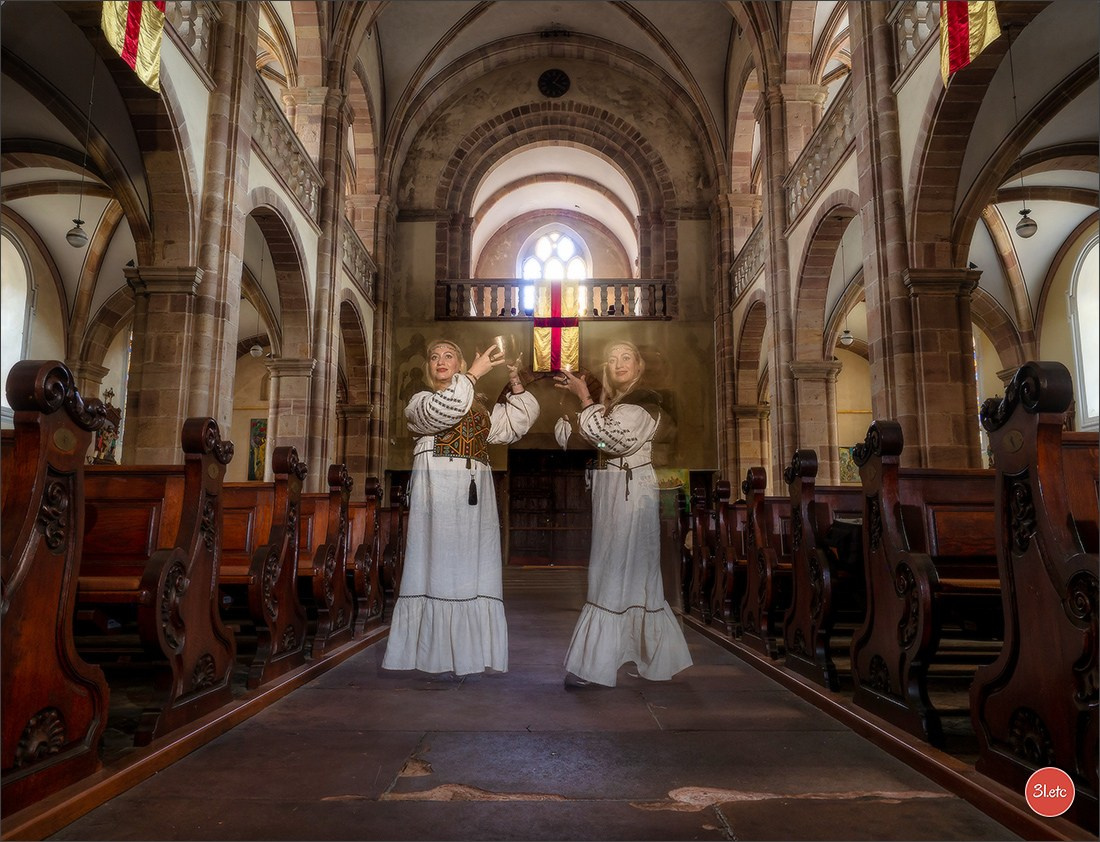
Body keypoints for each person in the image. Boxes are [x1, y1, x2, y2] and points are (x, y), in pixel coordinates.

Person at [382, 339, 539, 677]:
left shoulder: (478, 407)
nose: (441, 360)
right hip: (438, 490)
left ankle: (470, 651)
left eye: (449, 355)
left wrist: (515, 380)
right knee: (438, 561)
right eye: (435, 356)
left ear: (459, 362)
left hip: (474, 495)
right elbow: (445, 410)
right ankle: (432, 653)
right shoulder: (420, 401)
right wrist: (472, 375)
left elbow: (516, 424)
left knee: (471, 565)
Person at [556, 340, 693, 688]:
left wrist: (584, 400)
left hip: (631, 492)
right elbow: (591, 439)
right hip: (617, 491)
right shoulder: (617, 404)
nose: (619, 363)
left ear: (639, 366)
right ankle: (655, 657)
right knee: (635, 575)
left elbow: (610, 441)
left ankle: (593, 666)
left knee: (613, 571)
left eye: (626, 357)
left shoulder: (642, 401)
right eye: (613, 358)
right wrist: (582, 414)